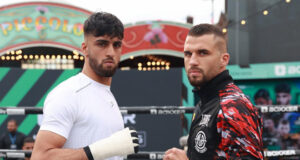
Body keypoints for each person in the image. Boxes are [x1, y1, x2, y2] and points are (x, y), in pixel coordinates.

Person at [31, 12, 138, 160]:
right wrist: (94, 151)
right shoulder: (68, 93)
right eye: (102, 44)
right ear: (85, 48)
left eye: (116, 45)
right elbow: (40, 157)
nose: (110, 52)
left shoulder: (105, 93)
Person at [163, 24, 263, 160]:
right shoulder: (206, 101)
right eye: (188, 54)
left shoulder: (232, 106)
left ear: (224, 59)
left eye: (203, 53)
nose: (192, 61)